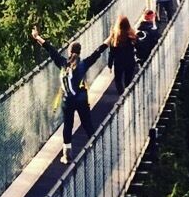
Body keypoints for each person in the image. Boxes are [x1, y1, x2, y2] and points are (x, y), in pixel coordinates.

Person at [31, 26, 106, 163]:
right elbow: (97, 52)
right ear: (79, 52)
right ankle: (97, 149)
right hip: (82, 100)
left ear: (70, 52)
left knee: (68, 126)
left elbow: (50, 49)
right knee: (87, 123)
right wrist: (110, 39)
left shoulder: (63, 63)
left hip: (67, 101)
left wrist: (37, 37)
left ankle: (67, 155)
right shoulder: (83, 64)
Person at [108, 15, 138, 94]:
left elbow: (112, 52)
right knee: (128, 80)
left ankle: (121, 95)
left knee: (118, 80)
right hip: (130, 61)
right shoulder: (131, 36)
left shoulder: (115, 37)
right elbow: (137, 46)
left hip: (118, 62)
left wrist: (110, 64)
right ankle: (127, 95)